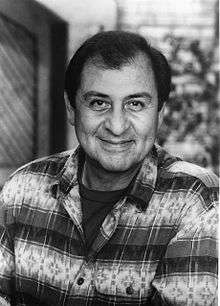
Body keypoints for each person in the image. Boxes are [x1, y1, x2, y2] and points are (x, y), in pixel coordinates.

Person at [0, 31, 218, 306]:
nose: (116, 126)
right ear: (71, 108)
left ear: (159, 114)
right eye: (99, 103)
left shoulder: (195, 199)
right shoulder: (22, 188)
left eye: (135, 104)